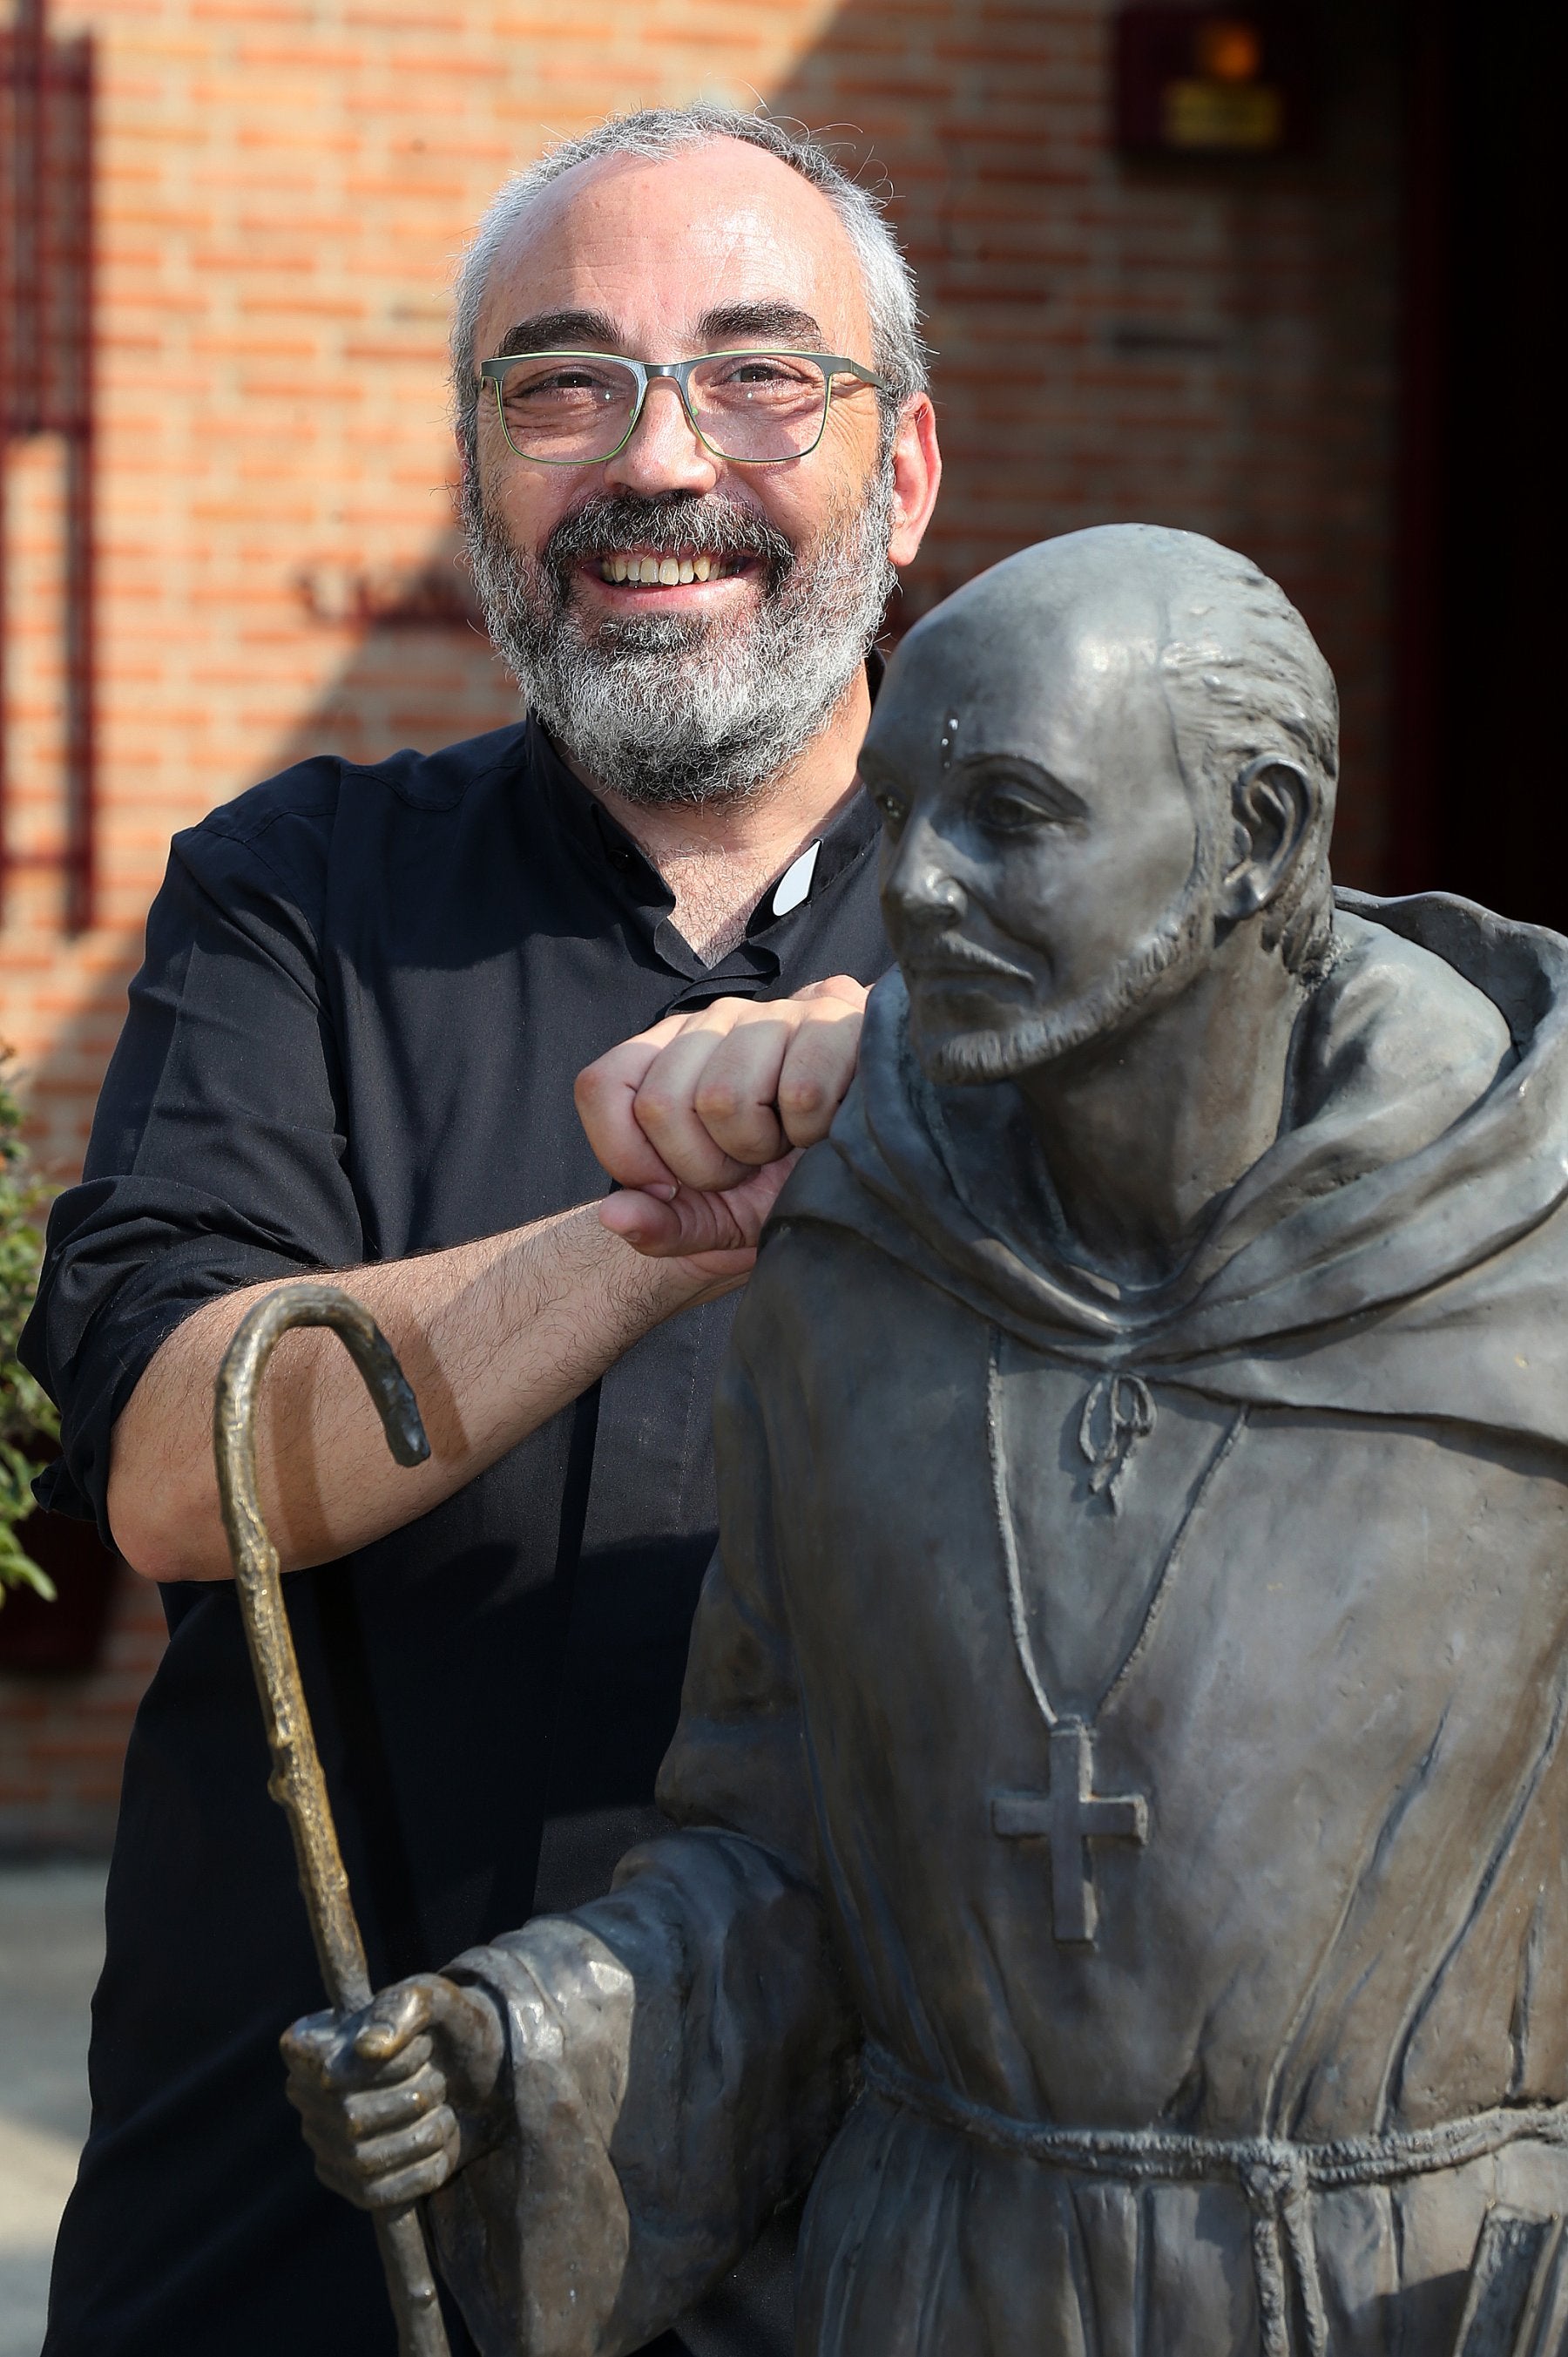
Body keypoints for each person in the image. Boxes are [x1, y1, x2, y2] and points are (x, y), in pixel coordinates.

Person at [287, 524, 1568, 2357]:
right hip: (937, 2291)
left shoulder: (1541, 1261)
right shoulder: (857, 1252)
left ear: (1260, 838)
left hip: (1411, 2302)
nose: (922, 891)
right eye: (904, 812)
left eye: (1015, 813)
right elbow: (785, 1846)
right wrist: (529, 2042)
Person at [21, 105, 940, 2357]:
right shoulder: (295, 901)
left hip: (903, 2237)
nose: (655, 461)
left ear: (905, 473)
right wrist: (678, 1216)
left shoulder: (1080, 959)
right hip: (304, 2256)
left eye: (755, 375)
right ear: (481, 475)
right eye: (564, 383)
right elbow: (172, 1460)